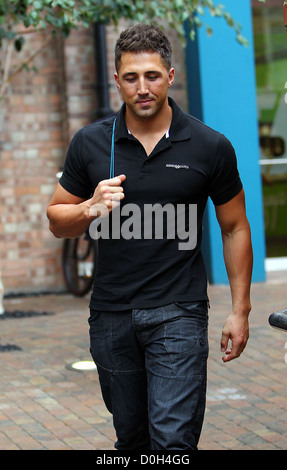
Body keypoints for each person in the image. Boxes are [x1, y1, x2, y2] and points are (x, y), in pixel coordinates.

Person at [47, 23, 253, 450]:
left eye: (152, 76)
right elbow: (56, 219)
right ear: (117, 79)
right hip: (111, 315)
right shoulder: (90, 143)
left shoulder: (209, 146)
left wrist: (241, 311)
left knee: (171, 442)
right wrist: (89, 207)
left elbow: (234, 227)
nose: (142, 88)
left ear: (171, 76)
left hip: (179, 311)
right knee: (133, 440)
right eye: (131, 77)